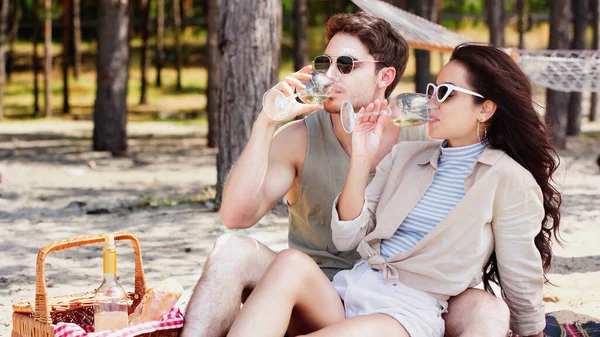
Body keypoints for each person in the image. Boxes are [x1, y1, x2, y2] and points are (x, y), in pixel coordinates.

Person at [181, 13, 510, 337]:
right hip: (317, 293)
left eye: (347, 65)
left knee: (488, 309)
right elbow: (236, 216)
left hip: (406, 294)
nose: (328, 76)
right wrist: (266, 123)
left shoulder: (425, 133)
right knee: (231, 250)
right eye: (324, 64)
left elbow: (491, 143)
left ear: (385, 77)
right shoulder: (299, 137)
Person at [224, 43, 562, 337]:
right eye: (433, 90)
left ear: (485, 109)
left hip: (405, 312)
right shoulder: (407, 155)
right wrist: (361, 157)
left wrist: (530, 329)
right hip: (352, 288)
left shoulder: (507, 178)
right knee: (289, 262)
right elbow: (346, 239)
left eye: (446, 93)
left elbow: (520, 270)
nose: (433, 102)